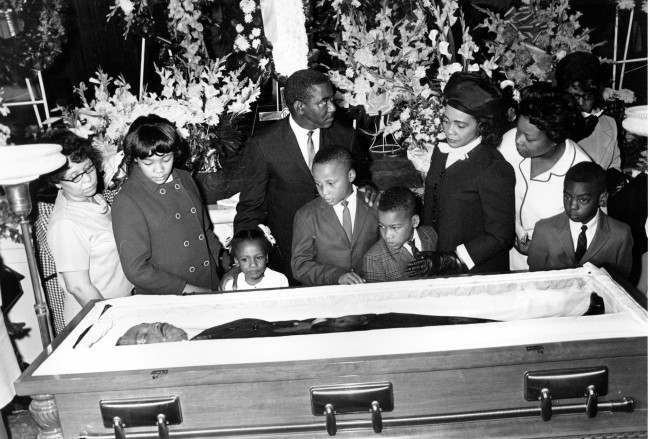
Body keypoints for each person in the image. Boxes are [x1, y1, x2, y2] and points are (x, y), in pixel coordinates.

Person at [234, 69, 373, 285]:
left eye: (332, 100)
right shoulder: (264, 144)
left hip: (342, 262)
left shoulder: (346, 136)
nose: (332, 108)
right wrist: (247, 258)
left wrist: (368, 189)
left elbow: (360, 181)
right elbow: (250, 208)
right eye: (323, 102)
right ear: (300, 107)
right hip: (290, 260)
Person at [411, 71, 515, 277]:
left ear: (482, 125)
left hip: (475, 271)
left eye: (460, 125)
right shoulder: (441, 153)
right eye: (445, 121)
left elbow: (501, 235)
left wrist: (454, 259)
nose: (449, 131)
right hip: (436, 264)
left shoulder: (493, 167)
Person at [112, 114, 223, 295]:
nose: (159, 169)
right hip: (169, 294)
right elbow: (136, 270)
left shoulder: (185, 178)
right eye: (148, 162)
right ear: (136, 160)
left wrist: (224, 262)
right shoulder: (127, 200)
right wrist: (189, 290)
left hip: (209, 280)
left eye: (166, 159)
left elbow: (205, 231)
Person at [498, 83, 591, 271]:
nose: (518, 140)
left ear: (555, 139)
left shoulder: (581, 174)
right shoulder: (508, 143)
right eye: (518, 130)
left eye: (529, 138)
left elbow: (586, 235)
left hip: (550, 268)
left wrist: (542, 246)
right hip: (502, 257)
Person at [45, 130, 132, 325]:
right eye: (75, 177)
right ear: (57, 183)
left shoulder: (92, 198)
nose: (88, 180)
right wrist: (114, 323)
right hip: (97, 318)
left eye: (89, 169)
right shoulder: (66, 223)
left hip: (123, 305)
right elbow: (79, 287)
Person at [528, 162, 633, 278]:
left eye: (583, 200)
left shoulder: (620, 235)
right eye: (567, 197)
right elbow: (535, 280)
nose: (572, 206)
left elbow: (621, 282)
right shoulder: (544, 230)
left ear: (602, 199)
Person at [291, 146, 378, 286]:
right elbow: (299, 266)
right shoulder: (306, 215)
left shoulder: (374, 203)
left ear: (350, 176)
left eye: (330, 183)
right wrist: (337, 276)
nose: (324, 192)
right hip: (328, 294)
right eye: (318, 184)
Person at [555, 51, 620, 170]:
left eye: (587, 96)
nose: (580, 103)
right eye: (574, 96)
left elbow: (614, 165)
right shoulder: (550, 125)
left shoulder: (609, 125)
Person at [362, 186, 437, 282]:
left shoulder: (431, 234)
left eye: (395, 227)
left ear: (414, 221)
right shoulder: (374, 259)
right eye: (382, 226)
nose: (387, 235)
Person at [220, 228, 289, 291]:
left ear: (266, 258)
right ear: (237, 261)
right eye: (244, 259)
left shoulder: (279, 280)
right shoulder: (231, 286)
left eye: (259, 258)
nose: (253, 264)